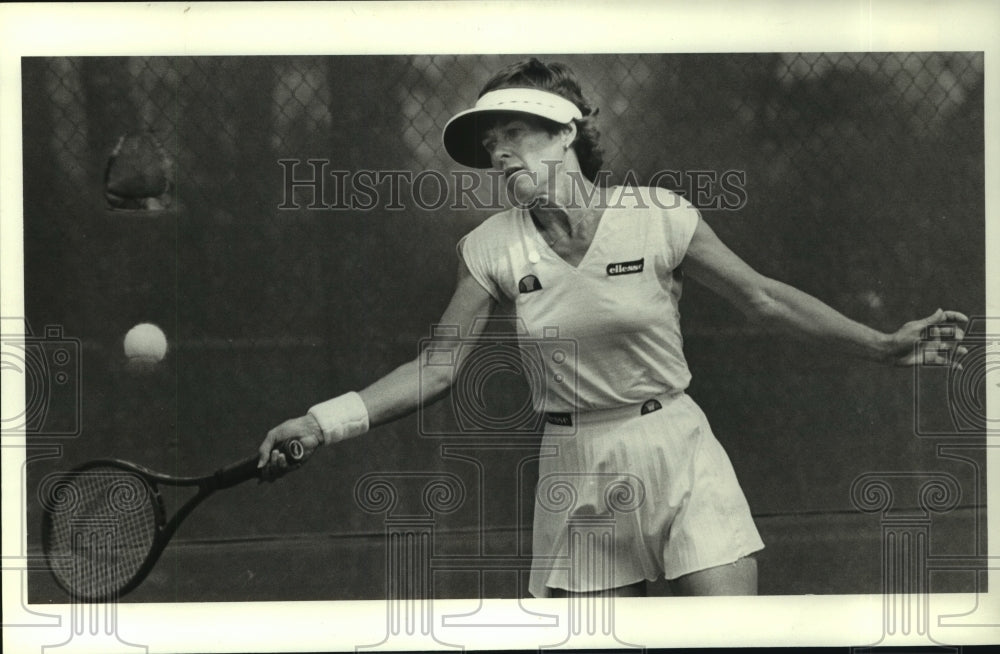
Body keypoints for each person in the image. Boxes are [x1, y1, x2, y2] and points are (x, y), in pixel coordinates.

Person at [257, 58, 969, 598]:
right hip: (574, 470)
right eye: (489, 145)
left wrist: (879, 344)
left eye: (513, 134)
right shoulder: (489, 248)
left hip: (679, 450)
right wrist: (324, 422)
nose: (498, 154)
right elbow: (438, 368)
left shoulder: (658, 214)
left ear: (564, 132)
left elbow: (762, 298)